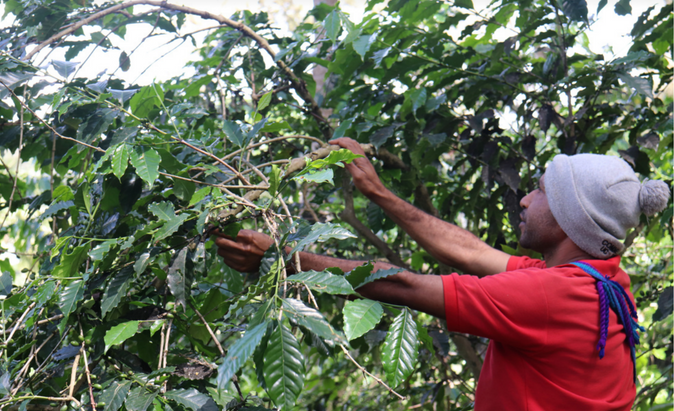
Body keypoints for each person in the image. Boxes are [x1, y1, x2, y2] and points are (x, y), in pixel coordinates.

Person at [214, 137, 670, 411]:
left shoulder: (550, 295)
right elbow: (468, 251)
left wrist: (282, 257)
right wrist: (378, 192)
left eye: (541, 190)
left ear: (575, 221)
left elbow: (402, 284)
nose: (526, 200)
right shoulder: (599, 281)